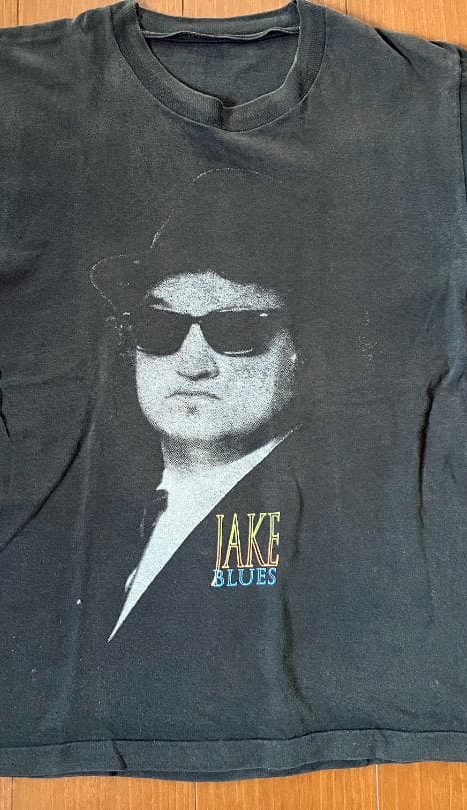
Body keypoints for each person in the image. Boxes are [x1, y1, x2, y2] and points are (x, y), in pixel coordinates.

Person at [89, 167, 311, 642]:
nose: (192, 365)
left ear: (304, 352)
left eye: (236, 330)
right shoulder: (102, 520)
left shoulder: (335, 523)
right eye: (159, 327)